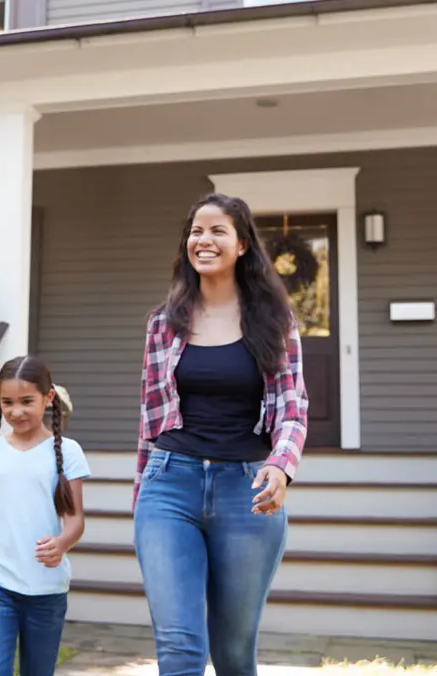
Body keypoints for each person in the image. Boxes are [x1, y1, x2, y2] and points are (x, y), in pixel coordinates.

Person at [133, 192, 309, 676]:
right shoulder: (162, 325)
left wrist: (281, 465)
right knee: (181, 649)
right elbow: (149, 424)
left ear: (242, 244)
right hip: (170, 485)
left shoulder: (274, 322)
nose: (203, 240)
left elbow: (293, 410)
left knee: (232, 655)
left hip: (246, 491)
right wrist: (141, 498)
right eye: (195, 230)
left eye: (217, 231)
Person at [0, 356, 90, 676]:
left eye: (27, 401)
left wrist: (62, 543)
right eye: (7, 402)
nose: (16, 411)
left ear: (48, 398)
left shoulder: (67, 452)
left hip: (46, 591)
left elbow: (75, 519)